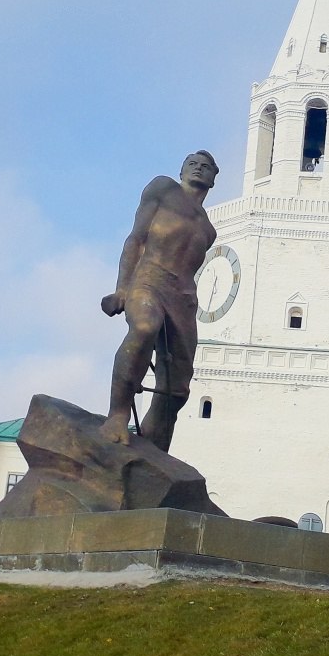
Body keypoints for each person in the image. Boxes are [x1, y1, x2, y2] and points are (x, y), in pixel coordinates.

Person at [99, 151, 219, 452]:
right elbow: (136, 239)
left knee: (177, 388)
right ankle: (117, 415)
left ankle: (153, 448)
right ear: (181, 169)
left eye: (206, 167)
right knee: (143, 328)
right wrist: (122, 288)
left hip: (184, 298)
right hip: (150, 280)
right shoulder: (163, 189)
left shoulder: (208, 229)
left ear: (213, 179)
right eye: (192, 163)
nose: (199, 168)